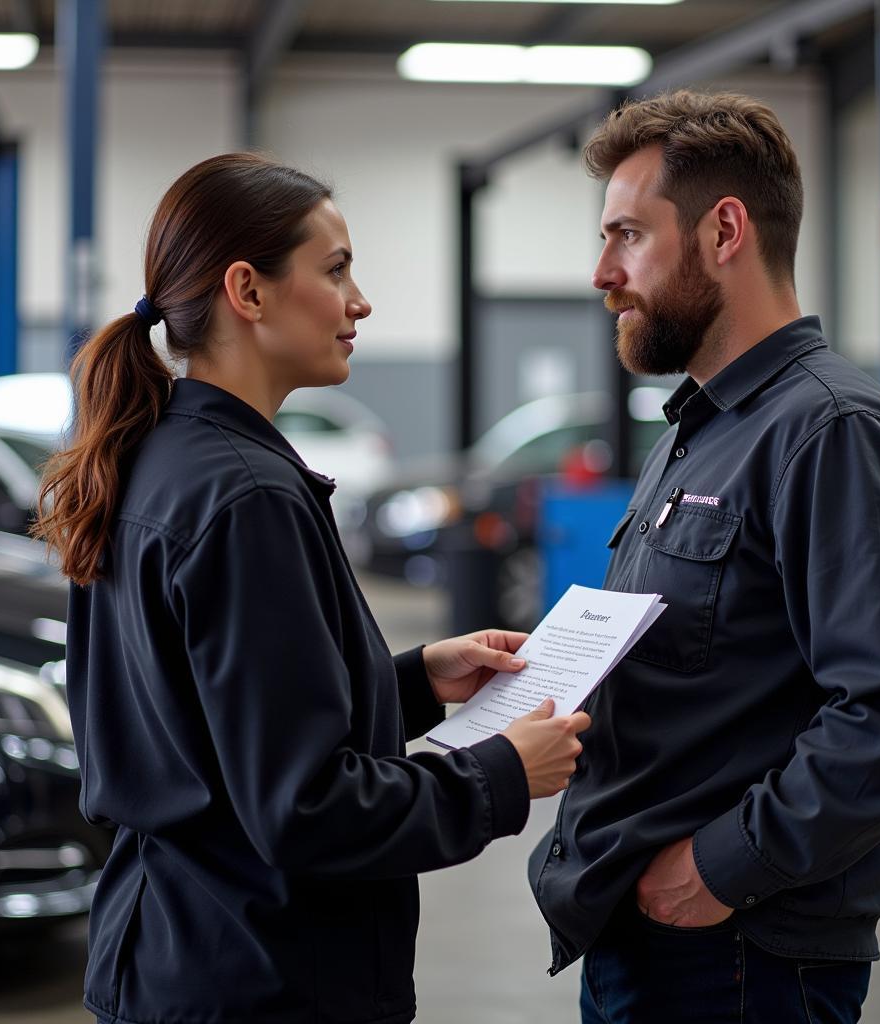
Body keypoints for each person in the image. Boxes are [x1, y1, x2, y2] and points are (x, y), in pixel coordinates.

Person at [34, 152, 591, 1024]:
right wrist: (500, 773)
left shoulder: (158, 460)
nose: (360, 302)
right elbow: (304, 810)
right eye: (335, 271)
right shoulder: (244, 495)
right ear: (247, 291)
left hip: (167, 953)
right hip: (257, 977)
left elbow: (210, 726)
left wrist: (410, 682)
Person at [527, 90, 880, 1024]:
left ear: (724, 230)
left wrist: (721, 867)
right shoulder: (699, 430)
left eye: (627, 236)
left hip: (739, 960)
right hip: (645, 936)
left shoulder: (835, 432)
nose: (601, 272)